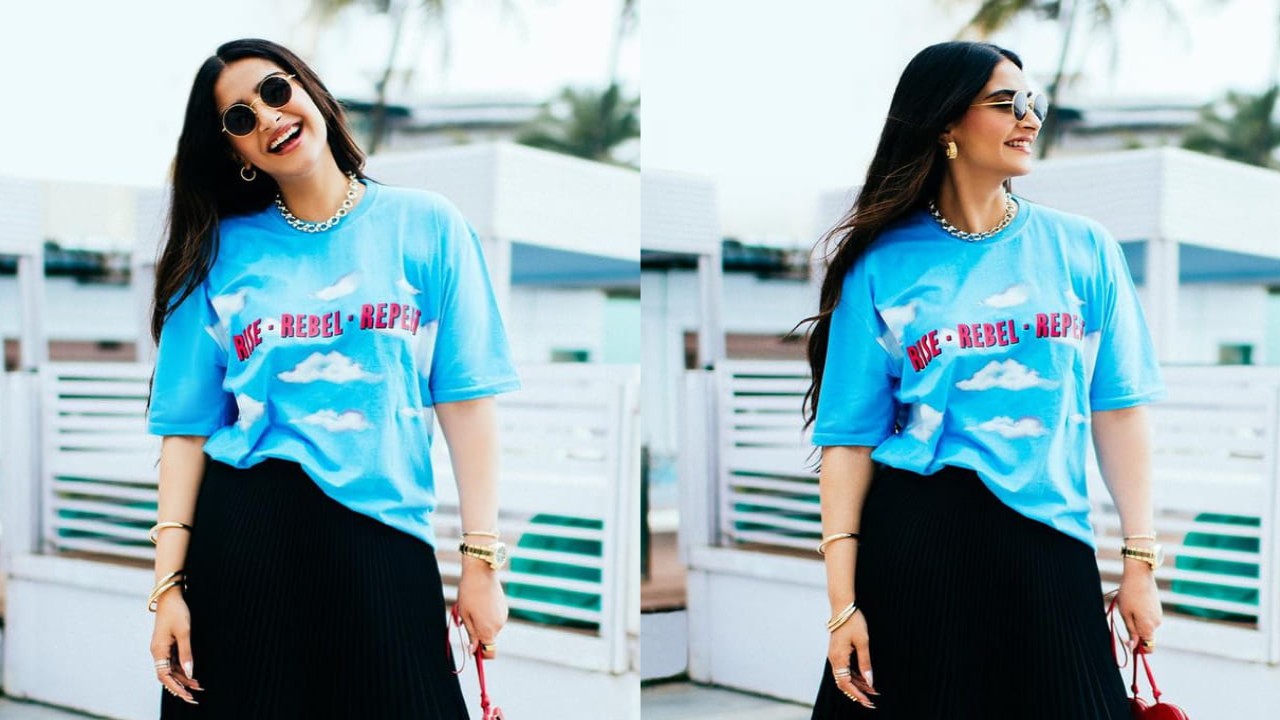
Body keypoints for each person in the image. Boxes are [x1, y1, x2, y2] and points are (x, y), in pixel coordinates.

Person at [144, 38, 520, 718]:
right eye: (238, 118)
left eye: (275, 91)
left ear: (312, 92)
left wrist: (481, 563)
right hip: (247, 537)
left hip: (385, 536)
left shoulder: (427, 224)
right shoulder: (216, 254)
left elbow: (465, 401)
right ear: (234, 152)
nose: (266, 117)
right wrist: (167, 585)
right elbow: (185, 431)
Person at [803, 41, 1165, 719]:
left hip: (1048, 543)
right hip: (917, 544)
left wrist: (1139, 562)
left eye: (1033, 103)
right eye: (1006, 103)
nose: (1029, 118)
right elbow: (848, 442)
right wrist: (841, 606)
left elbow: (1119, 408)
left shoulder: (1082, 248)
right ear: (945, 123)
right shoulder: (881, 266)